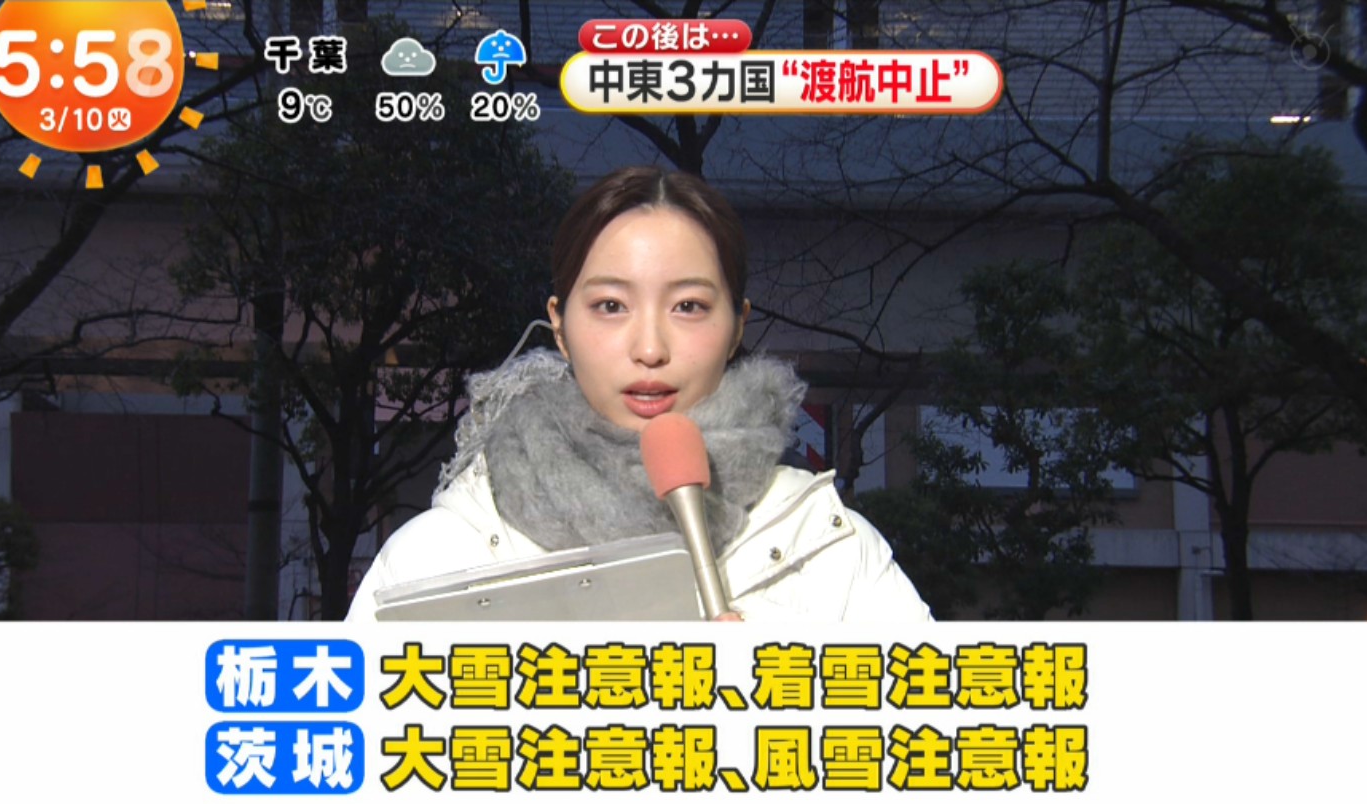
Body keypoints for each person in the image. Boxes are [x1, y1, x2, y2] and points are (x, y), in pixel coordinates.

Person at [346, 166, 931, 622]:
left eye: (689, 306)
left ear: (737, 327)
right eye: (610, 306)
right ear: (560, 327)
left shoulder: (829, 546)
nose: (650, 347)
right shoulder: (437, 556)